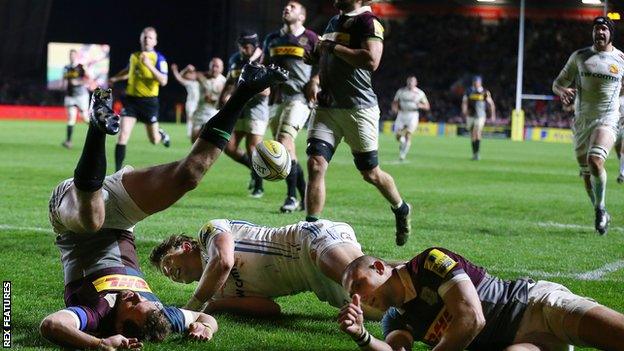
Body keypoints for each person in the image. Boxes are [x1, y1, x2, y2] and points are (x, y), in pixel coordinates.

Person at [40, 63, 288, 348]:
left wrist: (97, 344)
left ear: (121, 328)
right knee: (189, 175)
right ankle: (246, 88)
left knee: (92, 219)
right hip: (121, 220)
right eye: (148, 303)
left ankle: (97, 128)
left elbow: (52, 324)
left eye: (134, 305)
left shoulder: (98, 312)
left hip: (74, 215)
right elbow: (205, 318)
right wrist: (205, 328)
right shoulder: (158, 314)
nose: (137, 297)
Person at [338, 247, 624, 350]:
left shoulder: (429, 262)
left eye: (359, 285)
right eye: (352, 294)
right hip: (520, 344)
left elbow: (472, 319)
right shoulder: (395, 318)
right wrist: (362, 335)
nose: (358, 297)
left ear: (378, 268)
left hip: (535, 306)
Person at [304, 0, 412, 246]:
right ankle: (309, 230)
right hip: (327, 106)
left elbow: (371, 61)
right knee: (316, 164)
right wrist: (315, 65)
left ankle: (401, 207)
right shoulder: (334, 20)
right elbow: (327, 56)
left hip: (358, 109)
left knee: (370, 173)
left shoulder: (368, 22)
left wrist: (332, 47)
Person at [149, 219, 366, 317]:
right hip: (317, 284)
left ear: (185, 247)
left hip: (309, 241)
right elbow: (272, 309)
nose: (169, 272)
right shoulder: (214, 295)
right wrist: (217, 306)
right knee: (382, 307)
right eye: (165, 273)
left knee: (363, 283)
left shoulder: (209, 232)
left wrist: (190, 308)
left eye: (168, 262)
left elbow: (224, 262)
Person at [553, 16, 624, 235]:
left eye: (603, 29)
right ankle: (599, 207)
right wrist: (563, 91)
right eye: (596, 29)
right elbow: (557, 84)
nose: (599, 33)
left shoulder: (621, 59)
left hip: (608, 119)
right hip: (582, 121)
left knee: (595, 161)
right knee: (586, 175)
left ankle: (600, 209)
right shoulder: (580, 57)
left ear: (610, 33)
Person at [263, 1, 319, 212]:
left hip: (299, 99)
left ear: (302, 16)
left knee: (282, 143)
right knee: (288, 151)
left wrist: (315, 81)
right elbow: (265, 66)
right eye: (286, 7)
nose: (287, 9)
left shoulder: (311, 38)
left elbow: (325, 65)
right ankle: (304, 195)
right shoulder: (272, 38)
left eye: (293, 7)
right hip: (276, 101)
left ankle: (290, 198)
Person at [109, 26, 171, 172]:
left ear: (155, 41)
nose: (146, 39)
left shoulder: (159, 59)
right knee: (122, 135)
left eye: (150, 37)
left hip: (149, 103)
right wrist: (115, 78)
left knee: (154, 140)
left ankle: (160, 134)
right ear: (140, 39)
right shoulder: (134, 56)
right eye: (144, 36)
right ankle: (117, 173)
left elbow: (163, 81)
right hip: (131, 101)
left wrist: (149, 65)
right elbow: (128, 71)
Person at [220, 31, 270, 198]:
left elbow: (267, 91)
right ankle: (254, 170)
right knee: (230, 147)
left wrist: (242, 88)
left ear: (254, 46)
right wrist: (223, 97)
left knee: (252, 147)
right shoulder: (235, 59)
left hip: (256, 109)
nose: (243, 49)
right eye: (241, 45)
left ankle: (259, 185)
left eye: (247, 46)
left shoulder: (262, 59)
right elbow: (229, 80)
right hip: (239, 108)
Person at [391, 75, 430, 161]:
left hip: (413, 115)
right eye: (409, 81)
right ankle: (402, 141)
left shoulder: (420, 93)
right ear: (407, 82)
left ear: (416, 83)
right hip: (402, 114)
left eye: (412, 81)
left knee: (408, 133)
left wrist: (420, 105)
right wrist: (394, 109)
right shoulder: (401, 91)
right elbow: (395, 102)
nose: (410, 83)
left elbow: (427, 106)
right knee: (398, 135)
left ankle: (403, 154)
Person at [191, 58, 226, 143]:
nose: (214, 69)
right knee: (194, 141)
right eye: (213, 66)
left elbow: (226, 100)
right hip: (200, 112)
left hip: (214, 114)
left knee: (209, 143)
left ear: (222, 68)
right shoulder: (202, 76)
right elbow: (183, 75)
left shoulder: (224, 81)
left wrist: (214, 100)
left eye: (217, 66)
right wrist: (187, 70)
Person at [461, 75, 496, 161]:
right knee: (473, 135)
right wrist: (464, 111)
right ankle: (475, 153)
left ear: (480, 83)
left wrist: (492, 115)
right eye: (475, 82)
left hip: (480, 116)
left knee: (477, 131)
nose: (476, 83)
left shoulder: (485, 92)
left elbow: (491, 104)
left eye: (477, 82)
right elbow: (464, 102)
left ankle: (477, 154)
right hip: (470, 116)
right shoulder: (468, 91)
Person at [62, 49, 91, 149]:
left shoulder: (81, 67)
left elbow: (88, 79)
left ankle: (96, 133)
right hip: (70, 95)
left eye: (73, 55)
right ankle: (68, 141)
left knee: (85, 117)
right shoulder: (66, 67)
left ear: (77, 56)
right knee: (71, 118)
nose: (72, 57)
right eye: (70, 55)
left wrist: (78, 83)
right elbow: (64, 79)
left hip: (81, 95)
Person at [171, 63, 200, 141]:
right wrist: (185, 69)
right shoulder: (189, 83)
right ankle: (190, 133)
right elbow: (179, 77)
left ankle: (197, 133)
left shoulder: (199, 82)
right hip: (191, 103)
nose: (191, 75)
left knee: (198, 119)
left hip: (199, 104)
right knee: (190, 118)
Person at [614, 85, 624, 184]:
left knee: (623, 150)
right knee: (618, 151)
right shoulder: (616, 99)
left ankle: (622, 174)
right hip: (617, 128)